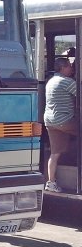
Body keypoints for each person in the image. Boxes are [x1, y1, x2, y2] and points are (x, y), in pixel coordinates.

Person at [44, 57, 77, 192]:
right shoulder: (67, 82)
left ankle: (51, 183)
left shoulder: (51, 81)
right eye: (70, 66)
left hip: (50, 121)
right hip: (65, 120)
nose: (72, 68)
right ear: (62, 68)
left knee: (55, 153)